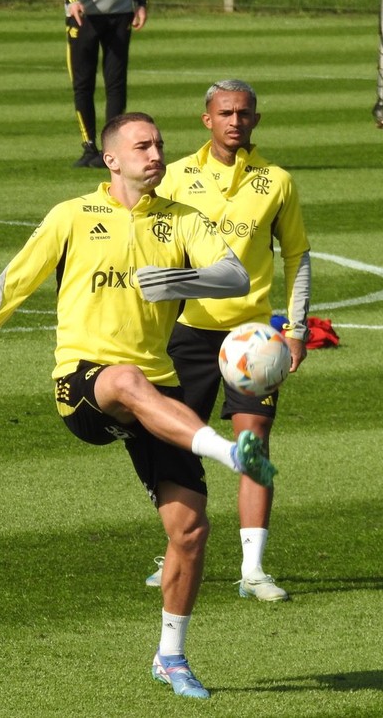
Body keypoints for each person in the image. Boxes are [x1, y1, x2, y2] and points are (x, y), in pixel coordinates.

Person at [0, 112, 276, 700]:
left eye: (160, 144)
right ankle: (230, 452)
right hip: (85, 380)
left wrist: (176, 283)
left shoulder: (181, 220)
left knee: (190, 529)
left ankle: (170, 656)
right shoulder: (72, 215)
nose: (155, 152)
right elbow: (16, 279)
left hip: (159, 388)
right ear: (112, 159)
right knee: (121, 378)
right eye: (142, 145)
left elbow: (234, 276)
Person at [144, 79, 311, 603]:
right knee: (175, 443)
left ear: (255, 120)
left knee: (253, 443)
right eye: (225, 113)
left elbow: (297, 255)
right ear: (207, 120)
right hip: (187, 330)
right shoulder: (173, 178)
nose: (235, 121)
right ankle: (176, 546)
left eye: (243, 113)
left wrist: (298, 328)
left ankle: (253, 569)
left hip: (253, 336)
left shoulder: (277, 181)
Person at [61, 0, 148, 168]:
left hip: (120, 13)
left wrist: (140, 2)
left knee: (116, 84)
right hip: (83, 16)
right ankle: (89, 147)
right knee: (83, 84)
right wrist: (71, 0)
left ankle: (111, 149)